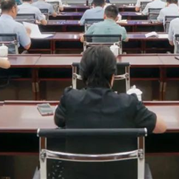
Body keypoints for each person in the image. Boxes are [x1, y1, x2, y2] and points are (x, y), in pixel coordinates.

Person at [54, 45, 166, 179]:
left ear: (82, 74)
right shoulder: (129, 103)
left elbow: (58, 120)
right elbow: (162, 127)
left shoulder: (70, 98)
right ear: (113, 75)